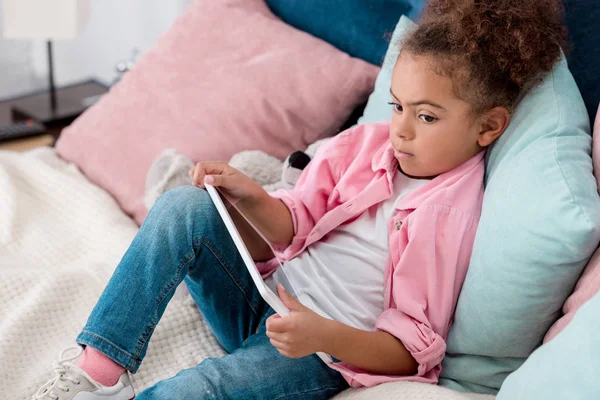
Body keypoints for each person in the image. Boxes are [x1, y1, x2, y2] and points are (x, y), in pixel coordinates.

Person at [34, 0, 567, 398]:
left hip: (320, 351)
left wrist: (321, 334)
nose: (400, 130)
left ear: (489, 126)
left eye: (426, 117)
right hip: (262, 297)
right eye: (397, 106)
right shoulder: (367, 144)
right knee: (182, 208)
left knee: (198, 390)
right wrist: (248, 195)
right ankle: (96, 374)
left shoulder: (450, 213)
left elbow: (410, 351)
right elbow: (295, 221)